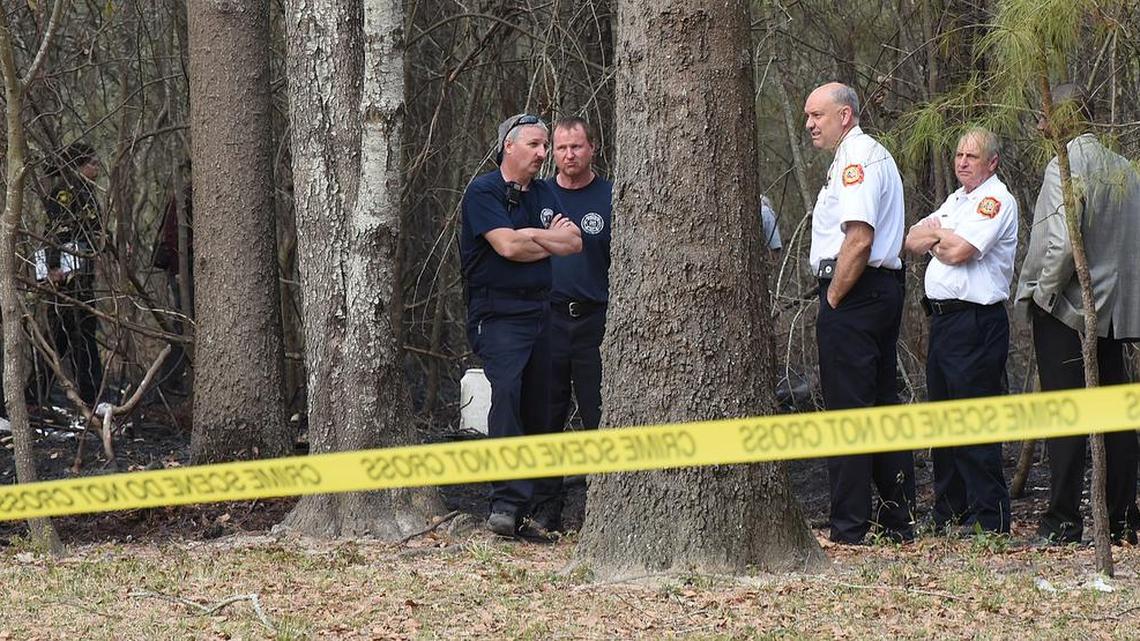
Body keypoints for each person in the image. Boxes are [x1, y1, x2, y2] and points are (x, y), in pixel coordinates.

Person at [1015, 83, 1140, 545]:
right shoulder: (1125, 168)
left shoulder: (1064, 165)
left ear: (1065, 118)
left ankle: (1062, 521)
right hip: (1117, 316)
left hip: (1069, 311)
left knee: (1064, 415)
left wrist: (1044, 295)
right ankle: (1123, 519)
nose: (1042, 125)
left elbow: (1062, 244)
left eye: (1047, 115)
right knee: (1116, 418)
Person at [460, 114, 583, 537]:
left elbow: (573, 242)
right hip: (498, 316)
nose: (543, 154)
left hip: (542, 312)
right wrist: (539, 237)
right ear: (508, 147)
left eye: (545, 145)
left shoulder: (547, 192)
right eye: (534, 145)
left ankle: (536, 509)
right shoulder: (483, 192)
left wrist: (531, 239)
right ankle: (506, 504)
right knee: (508, 398)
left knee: (544, 405)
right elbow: (508, 247)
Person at [804, 82, 915, 544]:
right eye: (807, 117)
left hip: (855, 290)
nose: (809, 124)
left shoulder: (857, 159)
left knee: (849, 411)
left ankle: (849, 527)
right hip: (876, 290)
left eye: (817, 115)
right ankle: (896, 521)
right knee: (880, 405)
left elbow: (859, 238)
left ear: (845, 115)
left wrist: (833, 300)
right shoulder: (868, 155)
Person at [904, 128, 1017, 535]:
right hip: (944, 322)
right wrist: (938, 235)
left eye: (972, 156)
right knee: (944, 419)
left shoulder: (995, 200)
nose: (962, 162)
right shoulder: (956, 200)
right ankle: (950, 510)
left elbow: (960, 251)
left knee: (972, 420)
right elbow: (912, 238)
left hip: (976, 323)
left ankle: (991, 517)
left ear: (992, 163)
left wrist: (939, 236)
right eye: (958, 154)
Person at [529, 117, 613, 533]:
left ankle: (601, 508)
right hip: (549, 318)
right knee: (548, 415)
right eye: (561, 148)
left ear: (592, 148)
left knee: (599, 415)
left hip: (596, 321)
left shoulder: (611, 196)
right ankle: (547, 508)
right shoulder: (540, 195)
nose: (569, 155)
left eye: (576, 147)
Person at [34, 142, 107, 408]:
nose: (97, 168)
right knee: (76, 334)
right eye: (93, 163)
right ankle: (91, 398)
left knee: (66, 337)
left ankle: (35, 394)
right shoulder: (65, 190)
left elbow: (93, 228)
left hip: (81, 274)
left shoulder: (86, 190)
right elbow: (57, 230)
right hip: (67, 278)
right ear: (79, 165)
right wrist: (53, 268)